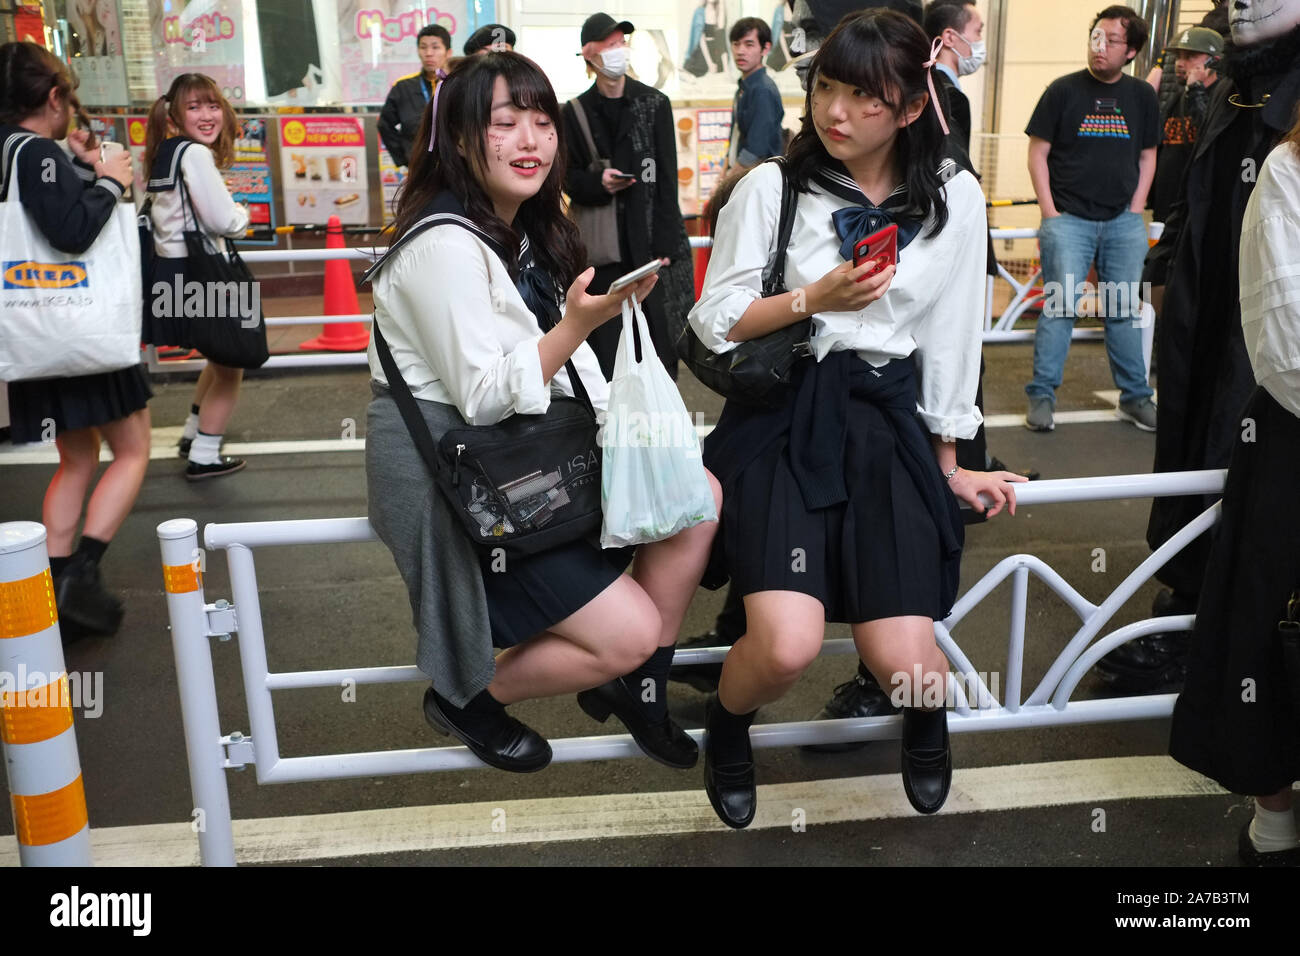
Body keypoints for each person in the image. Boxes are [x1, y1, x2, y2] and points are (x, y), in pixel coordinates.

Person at [688, 10, 1025, 828]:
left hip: (885, 421)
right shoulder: (773, 186)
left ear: (911, 107)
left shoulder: (953, 197)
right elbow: (712, 319)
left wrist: (950, 461)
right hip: (786, 421)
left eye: (862, 96)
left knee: (904, 657)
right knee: (784, 646)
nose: (834, 112)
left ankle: (925, 716)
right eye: (826, 87)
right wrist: (814, 298)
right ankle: (727, 727)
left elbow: (950, 338)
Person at [364, 51, 723, 774]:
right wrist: (578, 325)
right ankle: (467, 696)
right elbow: (486, 394)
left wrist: (628, 433)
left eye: (542, 121)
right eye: (506, 123)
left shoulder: (524, 230)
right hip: (466, 480)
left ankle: (639, 682)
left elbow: (564, 370)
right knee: (629, 629)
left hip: (527, 451)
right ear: (461, 138)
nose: (531, 139)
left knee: (698, 497)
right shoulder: (443, 244)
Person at [1099, 0, 1300, 692]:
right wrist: (1166, 265)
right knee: (1191, 442)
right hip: (1203, 307)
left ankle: (1230, 636)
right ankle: (1188, 610)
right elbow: (1193, 195)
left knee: (1245, 460)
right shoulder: (1233, 86)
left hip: (1277, 334)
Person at [1169, 126, 1300, 866]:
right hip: (1292, 442)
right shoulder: (1288, 168)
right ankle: (1274, 816)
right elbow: (1287, 347)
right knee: (1269, 625)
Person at [0, 42, 149, 638]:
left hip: (34, 331)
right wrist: (110, 179)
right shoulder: (35, 150)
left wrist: (76, 164)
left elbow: (42, 202)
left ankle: (51, 584)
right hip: (81, 330)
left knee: (76, 457)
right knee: (132, 450)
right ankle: (80, 575)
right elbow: (70, 231)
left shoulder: (14, 150)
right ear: (55, 97)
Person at [1023, 5, 1159, 434]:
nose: (1099, 47)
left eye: (1111, 40)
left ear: (1131, 50)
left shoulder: (1141, 97)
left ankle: (1135, 398)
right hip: (1069, 221)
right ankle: (1042, 397)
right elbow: (1038, 153)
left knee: (1122, 310)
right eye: (1095, 37)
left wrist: (1135, 209)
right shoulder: (1062, 91)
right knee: (1060, 309)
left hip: (1122, 221)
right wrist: (1050, 213)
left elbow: (1148, 156)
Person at [562, 13, 695, 381]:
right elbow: (567, 178)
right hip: (603, 252)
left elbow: (665, 178)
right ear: (590, 55)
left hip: (650, 243)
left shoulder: (654, 103)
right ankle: (614, 425)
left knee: (659, 345)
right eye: (609, 45)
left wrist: (668, 240)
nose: (618, 51)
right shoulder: (574, 112)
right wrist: (597, 182)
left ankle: (660, 422)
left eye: (621, 43)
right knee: (610, 352)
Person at [142, 73, 251, 480]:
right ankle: (204, 454)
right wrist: (243, 214)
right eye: (194, 107)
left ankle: (192, 433)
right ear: (175, 114)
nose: (207, 115)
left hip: (175, 273)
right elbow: (223, 220)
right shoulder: (195, 154)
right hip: (203, 274)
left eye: (212, 105)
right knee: (232, 362)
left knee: (218, 357)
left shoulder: (165, 151)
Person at [1148, 26, 1224, 225]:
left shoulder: (1222, 99)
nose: (1180, 63)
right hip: (1165, 205)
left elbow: (1208, 132)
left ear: (1213, 61)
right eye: (1179, 56)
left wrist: (1196, 89)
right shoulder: (1177, 98)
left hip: (1196, 209)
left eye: (1190, 56)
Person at [378, 24, 451, 170]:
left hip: (454, 165)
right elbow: (384, 125)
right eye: (423, 47)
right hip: (419, 167)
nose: (428, 53)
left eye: (435, 47)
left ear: (448, 52)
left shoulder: (457, 84)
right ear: (418, 51)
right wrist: (405, 158)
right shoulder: (403, 87)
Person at [725, 17, 786, 170]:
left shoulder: (762, 90)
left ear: (765, 48)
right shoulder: (743, 87)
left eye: (749, 44)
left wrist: (725, 184)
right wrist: (722, 175)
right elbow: (735, 137)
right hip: (740, 174)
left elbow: (754, 150)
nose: (740, 51)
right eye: (736, 44)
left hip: (759, 180)